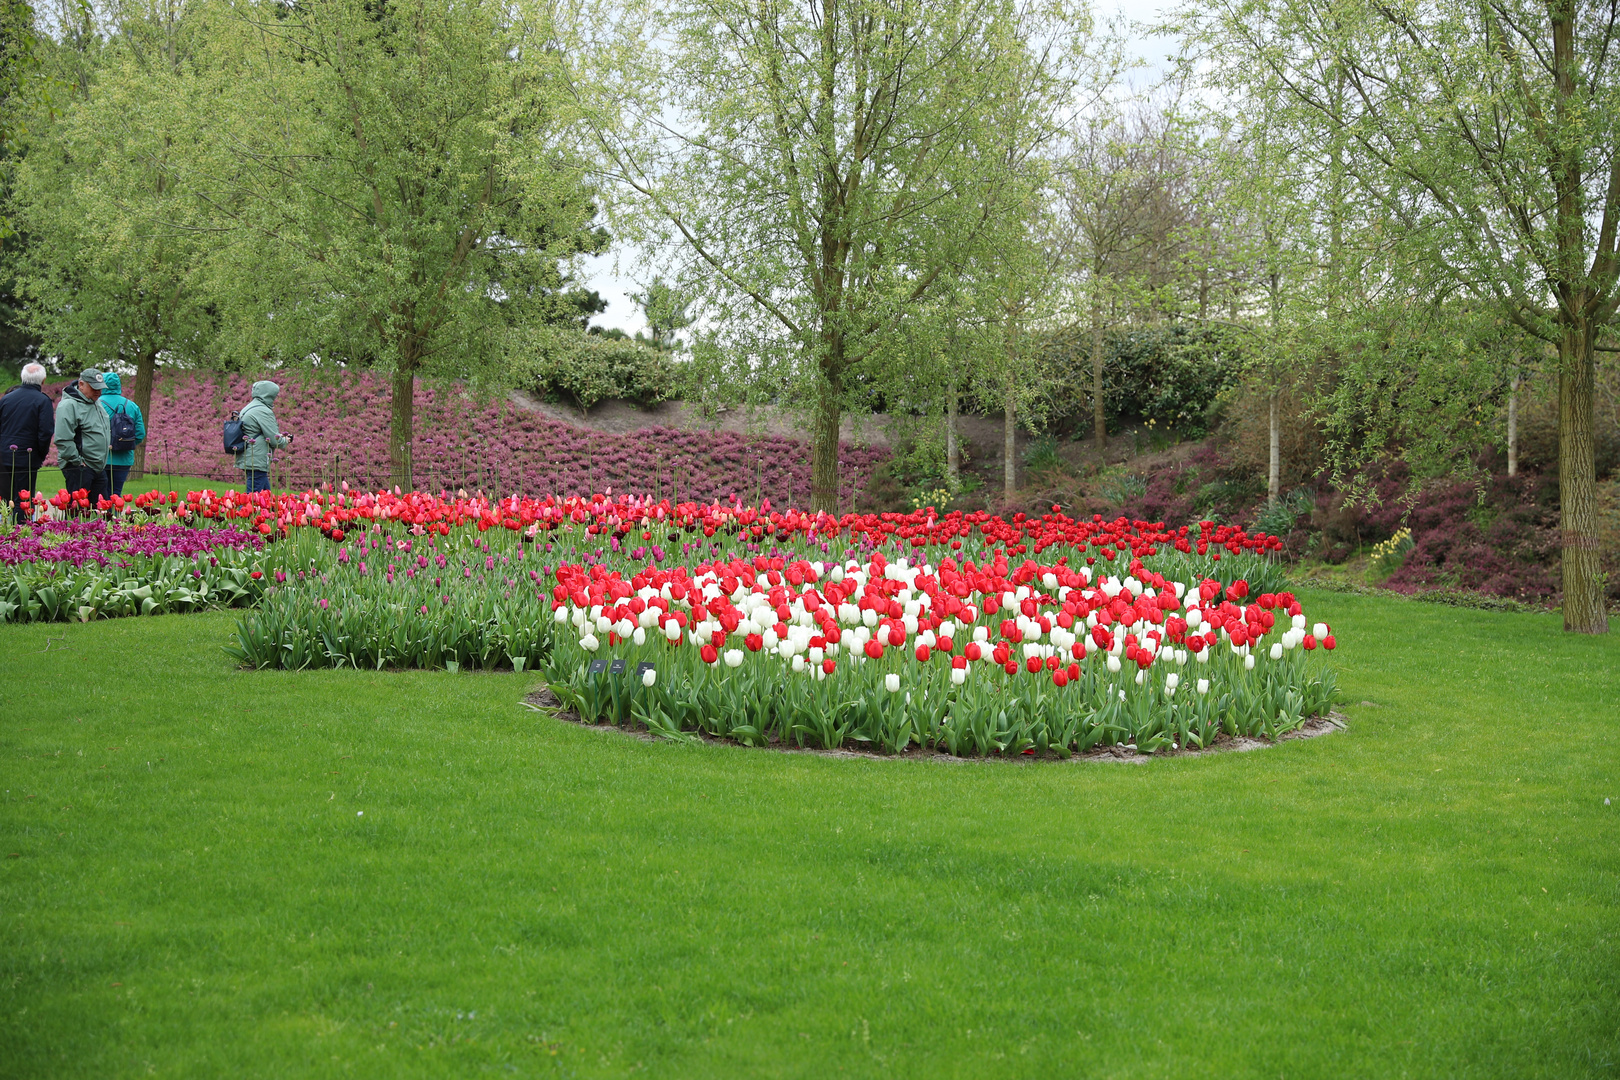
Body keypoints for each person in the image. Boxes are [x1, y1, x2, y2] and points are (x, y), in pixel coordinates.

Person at [0, 362, 56, 522]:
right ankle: (20, 532)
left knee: (6, 495)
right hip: (28, 456)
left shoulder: (6, 399)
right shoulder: (42, 400)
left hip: (5, 454)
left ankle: (7, 529)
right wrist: (41, 453)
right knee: (23, 499)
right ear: (43, 380)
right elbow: (45, 432)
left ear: (22, 377)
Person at [53, 368, 111, 505]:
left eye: (100, 388)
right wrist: (78, 462)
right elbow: (63, 439)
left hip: (97, 466)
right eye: (94, 387)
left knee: (103, 511)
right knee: (78, 512)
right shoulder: (69, 405)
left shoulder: (96, 402)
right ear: (81, 385)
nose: (98, 391)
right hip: (80, 467)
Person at [234, 380, 292, 493]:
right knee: (252, 498)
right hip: (257, 458)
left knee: (266, 496)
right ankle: (241, 511)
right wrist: (285, 440)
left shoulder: (248, 408)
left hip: (250, 456)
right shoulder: (263, 411)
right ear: (269, 395)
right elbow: (274, 438)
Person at [98, 371, 146, 497]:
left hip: (100, 458)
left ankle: (101, 517)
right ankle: (115, 516)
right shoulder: (132, 406)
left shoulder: (96, 404)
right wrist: (125, 444)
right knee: (116, 494)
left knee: (101, 495)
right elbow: (140, 433)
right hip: (124, 459)